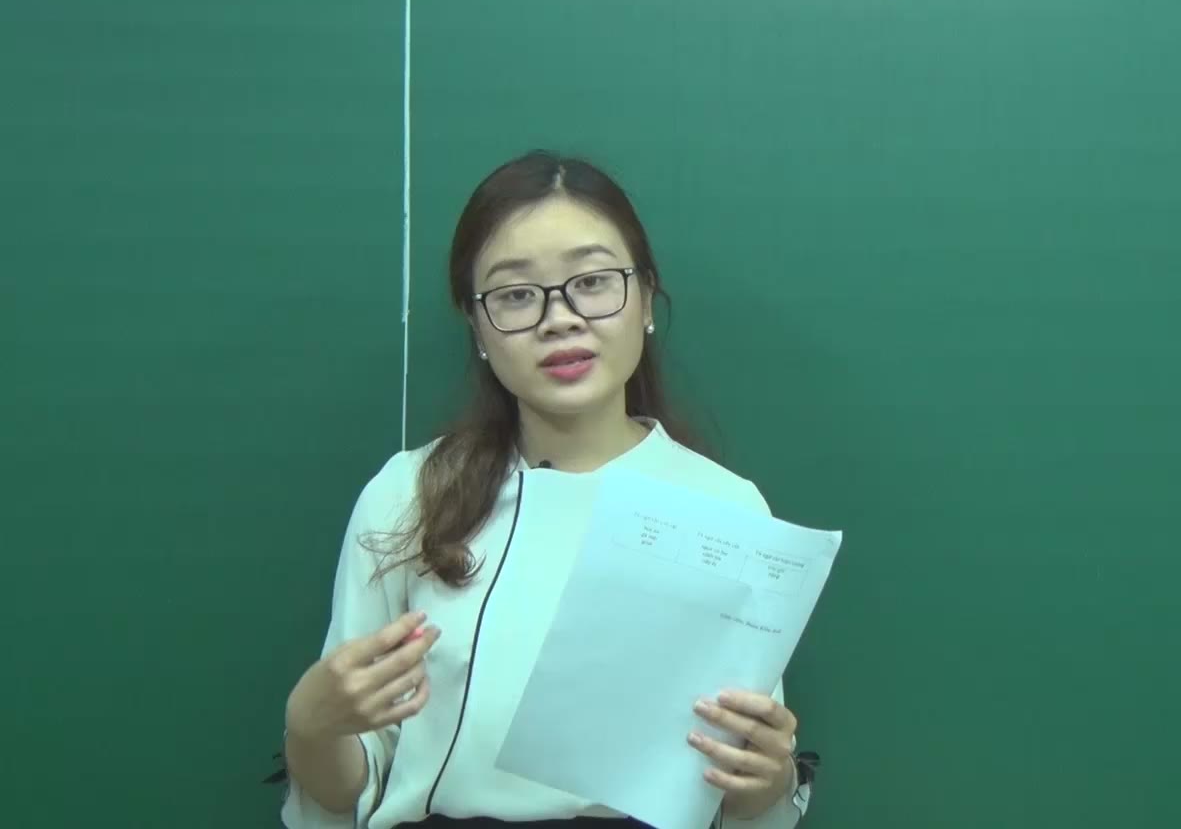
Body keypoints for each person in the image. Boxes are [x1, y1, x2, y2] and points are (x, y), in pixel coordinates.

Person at [278, 151, 813, 828]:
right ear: (476, 327)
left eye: (592, 282)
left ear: (646, 300)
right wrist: (309, 728)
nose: (559, 318)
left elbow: (740, 784)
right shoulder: (410, 494)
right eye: (515, 295)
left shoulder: (727, 509)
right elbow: (348, 792)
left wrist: (767, 781)